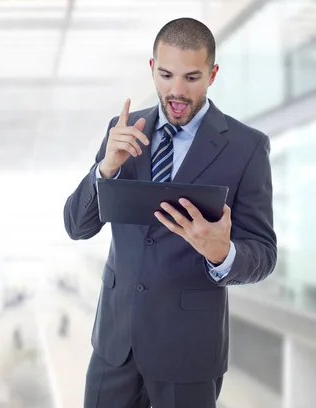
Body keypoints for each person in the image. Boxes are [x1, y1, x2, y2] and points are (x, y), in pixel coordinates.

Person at [63, 17, 277, 408]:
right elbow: (77, 226)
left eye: (192, 78)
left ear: (212, 74)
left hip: (188, 351)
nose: (177, 91)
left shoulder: (247, 148)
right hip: (115, 345)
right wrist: (105, 169)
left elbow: (263, 254)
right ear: (152, 69)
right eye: (166, 75)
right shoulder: (124, 130)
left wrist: (221, 253)